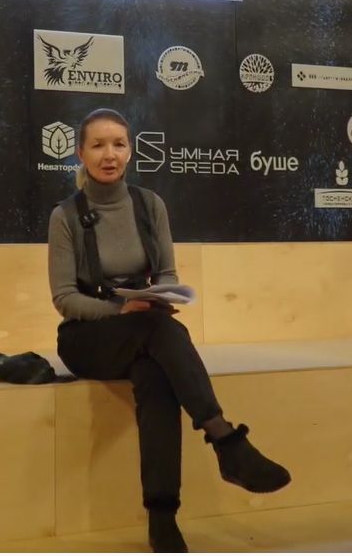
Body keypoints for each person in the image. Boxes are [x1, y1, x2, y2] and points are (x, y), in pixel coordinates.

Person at [47, 108, 291, 553]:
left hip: (145, 328)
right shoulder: (65, 215)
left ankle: (163, 520)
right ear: (80, 153)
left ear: (130, 151)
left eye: (118, 144)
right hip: (89, 337)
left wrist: (160, 296)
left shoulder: (150, 205)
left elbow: (167, 273)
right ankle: (225, 441)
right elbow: (64, 298)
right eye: (98, 145)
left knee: (156, 377)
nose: (109, 154)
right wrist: (121, 309)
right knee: (156, 330)